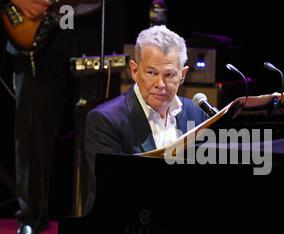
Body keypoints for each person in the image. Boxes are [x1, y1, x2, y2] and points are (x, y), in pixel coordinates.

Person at [2, 0, 121, 234]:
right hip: (36, 30)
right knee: (31, 130)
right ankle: (30, 218)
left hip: (89, 26)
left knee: (98, 131)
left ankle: (93, 220)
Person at [84, 25, 208, 212]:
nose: (160, 84)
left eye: (169, 75)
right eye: (151, 73)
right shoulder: (105, 120)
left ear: (182, 75)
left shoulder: (196, 114)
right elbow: (114, 191)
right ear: (134, 71)